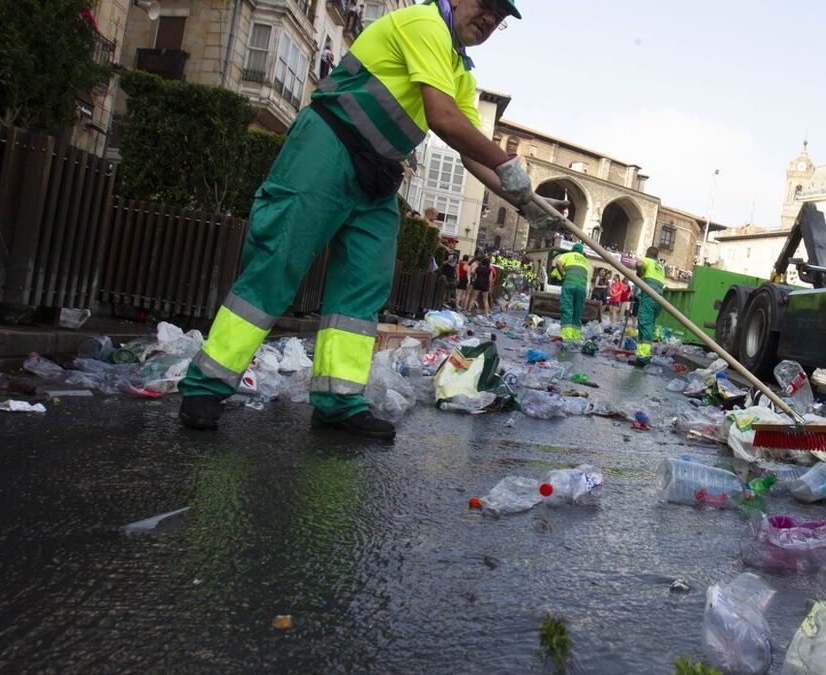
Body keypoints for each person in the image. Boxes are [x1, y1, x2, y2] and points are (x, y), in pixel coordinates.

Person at [177, 0, 556, 440]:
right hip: (329, 144)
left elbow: (471, 151)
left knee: (363, 284)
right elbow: (444, 119)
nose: (491, 18)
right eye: (486, 4)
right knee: (277, 260)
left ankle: (338, 400)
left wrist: (524, 200)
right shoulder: (423, 23)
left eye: (501, 16)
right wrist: (508, 165)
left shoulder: (461, 71)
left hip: (377, 171)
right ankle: (206, 385)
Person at [632, 246, 666, 365]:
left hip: (649, 298)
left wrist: (639, 273)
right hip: (659, 300)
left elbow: (640, 264)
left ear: (647, 253)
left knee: (644, 326)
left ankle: (643, 358)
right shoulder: (660, 267)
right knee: (648, 327)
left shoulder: (647, 260)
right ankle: (642, 354)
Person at [554, 242, 591, 340]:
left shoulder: (567, 255)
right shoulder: (585, 260)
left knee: (567, 309)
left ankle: (566, 336)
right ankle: (576, 336)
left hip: (569, 284)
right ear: (581, 252)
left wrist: (562, 275)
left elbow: (558, 263)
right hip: (582, 288)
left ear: (573, 250)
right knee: (577, 311)